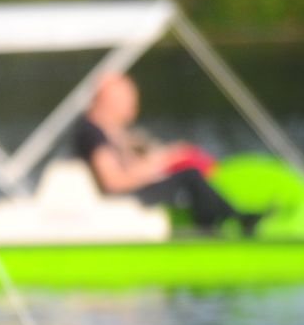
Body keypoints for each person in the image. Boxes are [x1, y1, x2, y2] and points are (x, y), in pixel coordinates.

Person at [71, 73, 260, 235]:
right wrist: (161, 163)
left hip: (128, 190)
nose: (133, 107)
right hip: (122, 195)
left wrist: (165, 156)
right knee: (189, 175)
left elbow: (128, 162)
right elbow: (113, 181)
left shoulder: (107, 130)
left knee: (187, 170)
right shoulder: (92, 133)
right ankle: (215, 228)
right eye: (128, 100)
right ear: (109, 100)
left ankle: (219, 220)